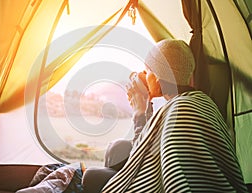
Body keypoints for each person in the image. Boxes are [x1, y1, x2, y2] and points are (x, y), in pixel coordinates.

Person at [83, 39, 248, 193]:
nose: (143, 75)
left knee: (90, 177)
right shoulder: (198, 100)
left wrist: (140, 111)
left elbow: (145, 158)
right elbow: (147, 149)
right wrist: (145, 108)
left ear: (157, 77)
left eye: (147, 70)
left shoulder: (180, 109)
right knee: (117, 147)